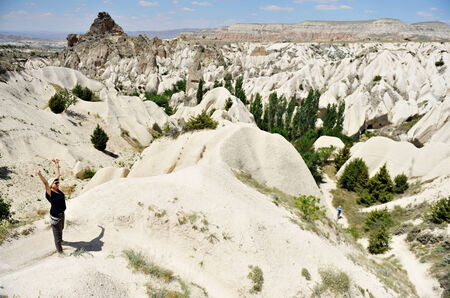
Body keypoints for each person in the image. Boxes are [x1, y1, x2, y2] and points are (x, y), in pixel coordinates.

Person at [32, 159, 66, 254]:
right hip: (55, 216)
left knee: (61, 229)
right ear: (51, 185)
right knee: (56, 235)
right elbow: (46, 183)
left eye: (58, 182)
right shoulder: (50, 193)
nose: (58, 183)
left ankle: (61, 240)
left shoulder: (57, 190)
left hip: (62, 214)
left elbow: (57, 176)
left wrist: (57, 164)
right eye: (56, 183)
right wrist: (39, 174)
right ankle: (60, 252)